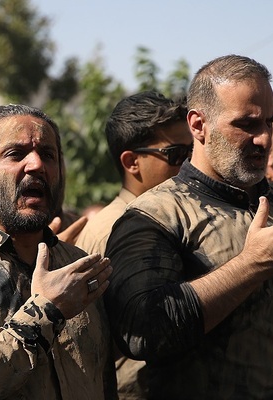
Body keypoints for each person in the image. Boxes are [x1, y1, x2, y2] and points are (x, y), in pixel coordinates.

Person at [104, 54, 273, 399]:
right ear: (198, 125)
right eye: (246, 124)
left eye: (268, 123)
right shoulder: (155, 216)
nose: (264, 139)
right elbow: (140, 331)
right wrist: (251, 266)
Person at [0, 104, 117, 399]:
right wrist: (46, 311)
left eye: (48, 154)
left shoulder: (79, 266)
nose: (36, 165)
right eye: (15, 154)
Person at [74, 90, 191, 399]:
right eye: (177, 155)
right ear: (132, 162)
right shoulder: (112, 231)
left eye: (195, 153)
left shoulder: (173, 217)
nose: (190, 166)